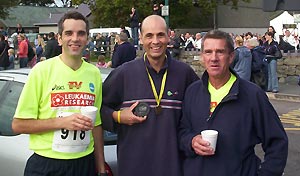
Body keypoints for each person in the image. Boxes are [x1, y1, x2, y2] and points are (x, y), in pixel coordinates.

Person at [178, 30, 288, 176]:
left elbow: (277, 142)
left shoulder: (252, 95)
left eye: (220, 52)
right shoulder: (192, 91)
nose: (214, 58)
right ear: (202, 57)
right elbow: (182, 132)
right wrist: (191, 141)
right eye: (208, 52)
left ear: (231, 57)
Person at [101, 15, 199, 176]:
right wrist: (118, 116)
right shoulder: (124, 73)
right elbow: (98, 109)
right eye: (149, 36)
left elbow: (199, 116)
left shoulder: (184, 74)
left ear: (169, 36)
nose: (155, 41)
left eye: (160, 35)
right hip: (133, 167)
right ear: (140, 38)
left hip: (174, 167)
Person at [12, 11, 107, 176]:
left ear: (87, 38)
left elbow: (96, 125)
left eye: (81, 33)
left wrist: (101, 169)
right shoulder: (41, 71)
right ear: (59, 38)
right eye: (69, 33)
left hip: (85, 163)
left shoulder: (94, 73)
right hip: (47, 164)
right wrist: (62, 123)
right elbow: (18, 125)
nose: (75, 38)